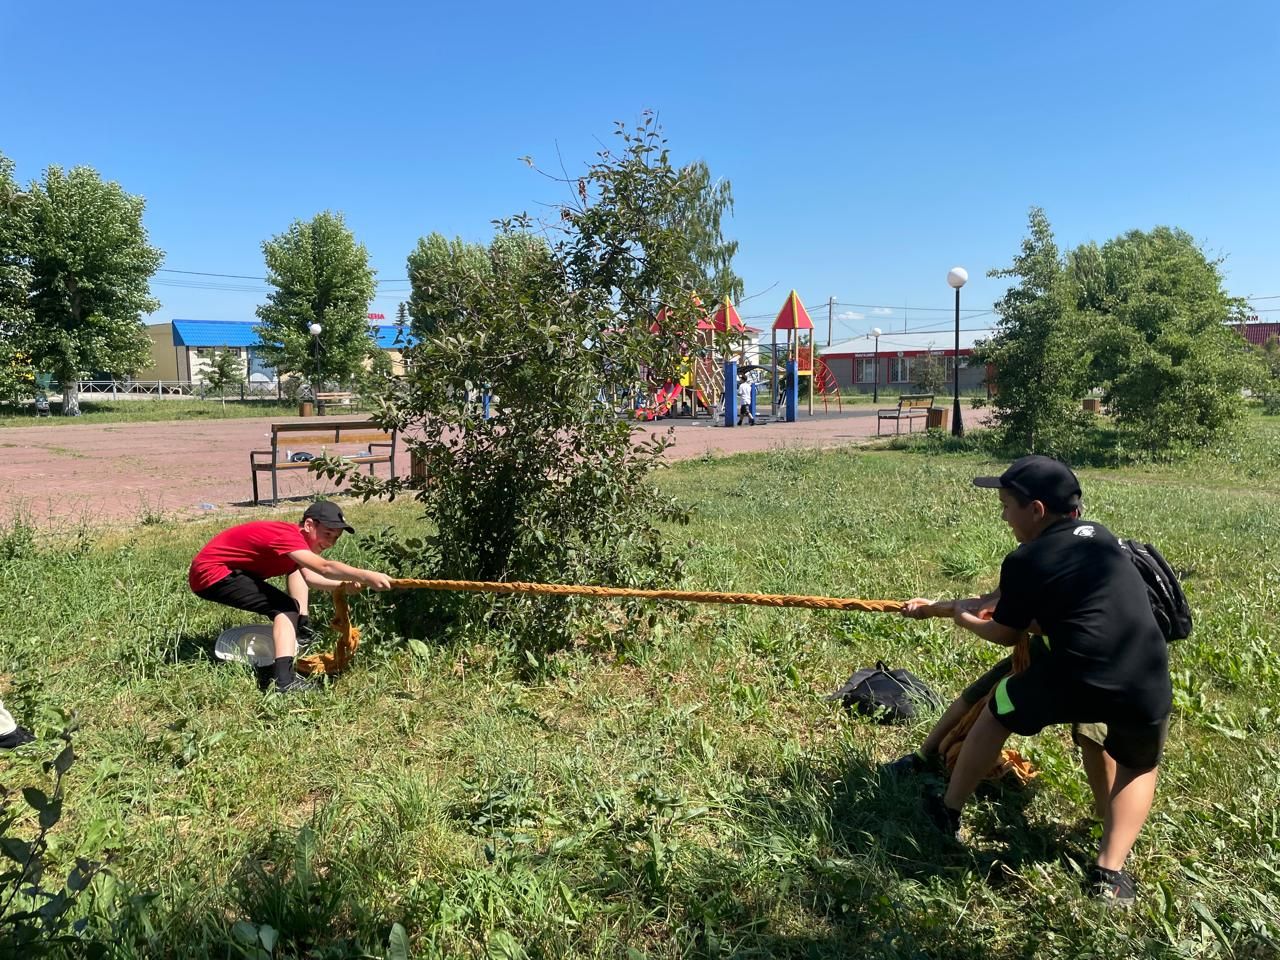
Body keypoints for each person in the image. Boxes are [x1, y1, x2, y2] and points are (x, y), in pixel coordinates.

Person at [897, 456, 1171, 904]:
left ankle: (948, 810)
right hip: (1144, 675)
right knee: (1139, 765)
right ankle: (1110, 874)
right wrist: (939, 605)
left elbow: (1005, 632)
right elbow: (1011, 601)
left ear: (1037, 510)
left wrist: (964, 620)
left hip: (1073, 672)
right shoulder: (1103, 539)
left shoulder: (1026, 557)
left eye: (1007, 505)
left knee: (995, 710)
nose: (1003, 515)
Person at [189, 501, 393, 694]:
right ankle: (284, 681)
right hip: (211, 573)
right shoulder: (287, 535)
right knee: (285, 607)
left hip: (226, 571)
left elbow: (311, 579)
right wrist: (366, 574)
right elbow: (325, 567)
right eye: (327, 533)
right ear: (309, 524)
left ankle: (295, 639)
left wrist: (343, 586)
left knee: (287, 603)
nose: (330, 542)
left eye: (336, 537)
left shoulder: (298, 547)